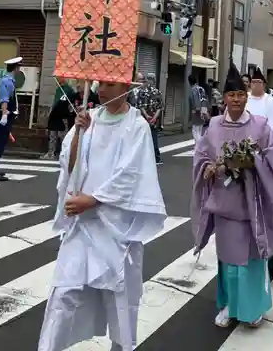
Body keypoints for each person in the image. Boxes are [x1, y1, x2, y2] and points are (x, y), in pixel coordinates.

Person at [38, 79, 166, 351]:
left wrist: (93, 200)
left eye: (109, 84)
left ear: (126, 88)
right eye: (100, 85)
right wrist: (78, 133)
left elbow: (132, 174)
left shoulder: (137, 126)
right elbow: (68, 163)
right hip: (82, 227)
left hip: (117, 227)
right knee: (64, 293)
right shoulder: (89, 119)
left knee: (119, 297)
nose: (101, 90)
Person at [192, 65, 273, 329]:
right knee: (228, 259)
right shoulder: (212, 126)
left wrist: (252, 161)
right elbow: (200, 156)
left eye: (240, 94)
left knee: (251, 259)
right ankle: (228, 305)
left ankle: (252, 308)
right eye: (231, 94)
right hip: (224, 202)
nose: (236, 99)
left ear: (246, 96)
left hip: (251, 202)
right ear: (224, 98)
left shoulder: (260, 125)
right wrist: (208, 168)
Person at [135, 72, 164, 165]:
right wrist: (154, 118)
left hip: (144, 119)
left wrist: (147, 116)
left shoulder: (141, 92)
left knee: (142, 138)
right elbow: (160, 107)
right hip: (153, 120)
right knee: (154, 139)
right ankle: (156, 158)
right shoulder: (157, 92)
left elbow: (140, 105)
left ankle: (142, 158)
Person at [189, 74, 209, 143]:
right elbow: (205, 98)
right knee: (200, 130)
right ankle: (199, 145)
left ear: (190, 82)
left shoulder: (193, 89)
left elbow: (194, 100)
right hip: (204, 108)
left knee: (195, 130)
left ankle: (199, 146)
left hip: (197, 110)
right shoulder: (201, 88)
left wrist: (196, 109)